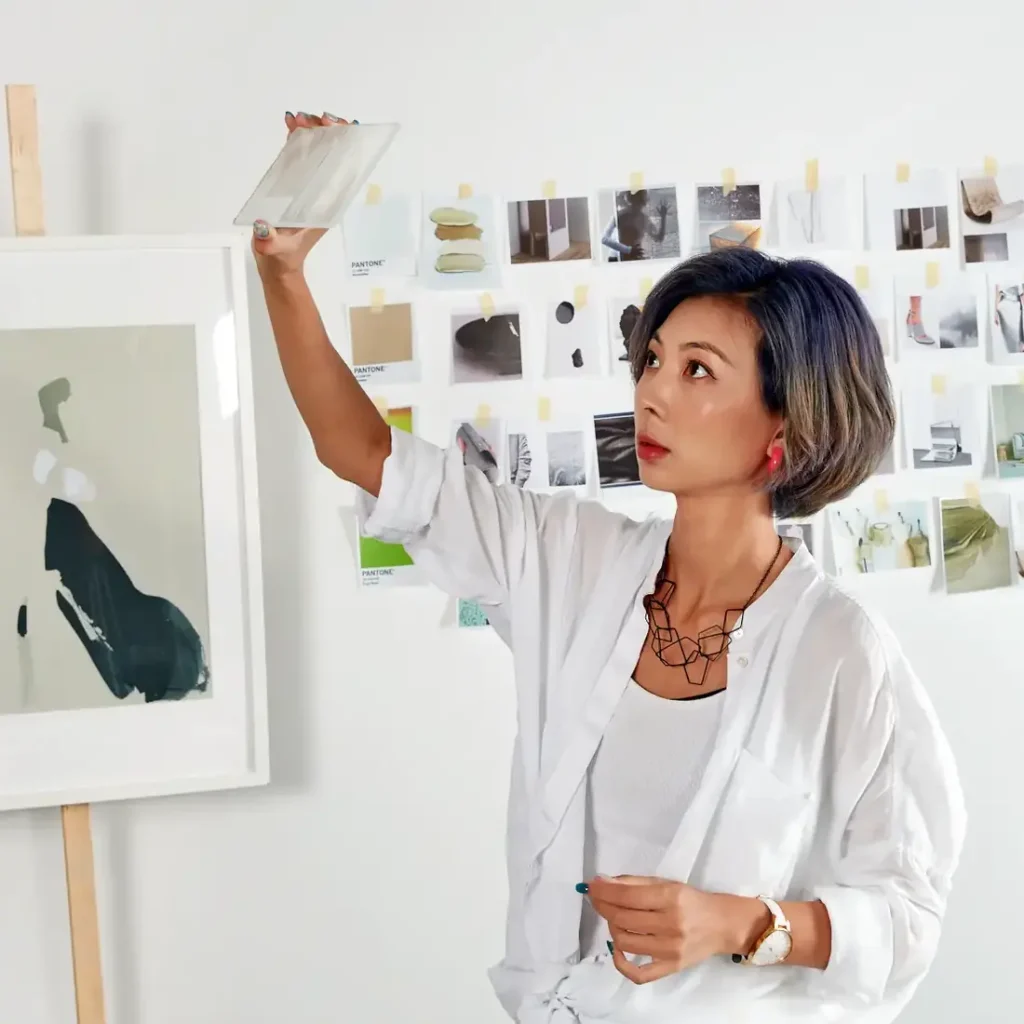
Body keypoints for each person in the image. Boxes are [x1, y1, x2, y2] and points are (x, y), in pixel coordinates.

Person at [255, 112, 966, 1024]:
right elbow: (365, 453)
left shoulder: (842, 653)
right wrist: (283, 274)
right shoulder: (571, 561)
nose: (652, 390)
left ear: (785, 431)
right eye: (655, 358)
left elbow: (908, 916)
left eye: (699, 371)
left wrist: (741, 924)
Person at [601, 188, 670, 261]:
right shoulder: (619, 216)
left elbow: (658, 238)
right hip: (617, 259)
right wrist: (628, 250)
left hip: (634, 257)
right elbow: (604, 239)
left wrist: (663, 217)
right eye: (644, 196)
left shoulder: (644, 219)